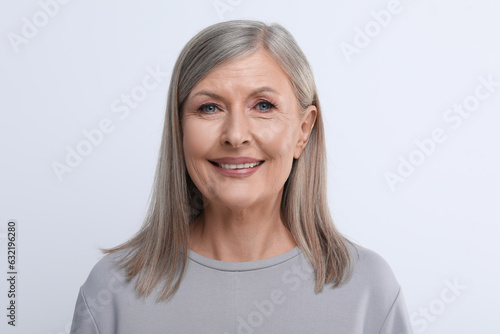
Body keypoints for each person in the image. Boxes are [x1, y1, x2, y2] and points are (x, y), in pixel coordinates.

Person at [69, 19, 413, 334]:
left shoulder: (368, 288)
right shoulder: (112, 290)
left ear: (303, 131)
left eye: (263, 106)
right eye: (209, 108)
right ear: (179, 130)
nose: (235, 135)